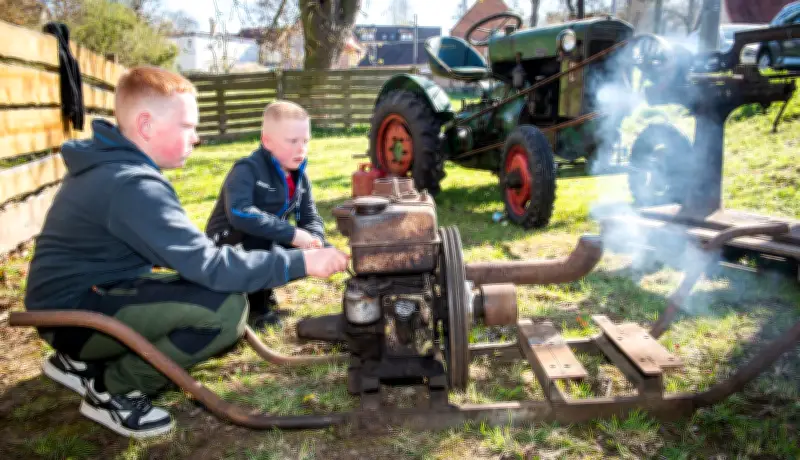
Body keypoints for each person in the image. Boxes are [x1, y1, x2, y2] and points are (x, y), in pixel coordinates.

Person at [23, 66, 349, 439]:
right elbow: (210, 266)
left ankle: (76, 360)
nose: (197, 138)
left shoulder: (116, 167)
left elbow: (184, 254)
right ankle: (112, 388)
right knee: (227, 311)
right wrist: (303, 260)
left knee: (208, 291)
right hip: (72, 315)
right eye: (188, 127)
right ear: (146, 125)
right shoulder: (131, 184)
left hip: (72, 301)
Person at [205, 100, 326, 329]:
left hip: (265, 240)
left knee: (319, 249)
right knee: (262, 235)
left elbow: (309, 216)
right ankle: (255, 307)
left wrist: (315, 238)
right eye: (292, 141)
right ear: (267, 141)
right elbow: (240, 213)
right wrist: (291, 234)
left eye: (305, 141)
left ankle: (262, 291)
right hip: (226, 245)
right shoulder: (247, 169)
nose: (301, 148)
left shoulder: (299, 177)